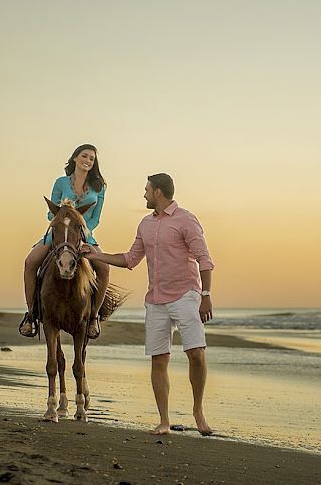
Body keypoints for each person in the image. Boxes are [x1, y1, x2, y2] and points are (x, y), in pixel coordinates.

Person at [82, 173, 215, 435]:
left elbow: (204, 259)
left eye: (146, 190)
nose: (143, 194)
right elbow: (131, 259)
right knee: (158, 359)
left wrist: (206, 295)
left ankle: (198, 410)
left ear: (158, 192)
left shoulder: (186, 219)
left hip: (186, 295)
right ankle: (164, 421)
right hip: (155, 300)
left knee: (196, 354)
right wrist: (96, 254)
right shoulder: (144, 224)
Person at [21, 144, 109, 339]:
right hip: (59, 234)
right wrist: (61, 215)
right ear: (75, 158)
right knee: (30, 262)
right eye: (84, 156)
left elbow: (95, 218)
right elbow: (48, 214)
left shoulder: (99, 187)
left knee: (104, 268)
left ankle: (93, 317)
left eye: (92, 159)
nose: (88, 160)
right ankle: (31, 314)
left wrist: (84, 235)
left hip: (85, 235)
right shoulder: (60, 183)